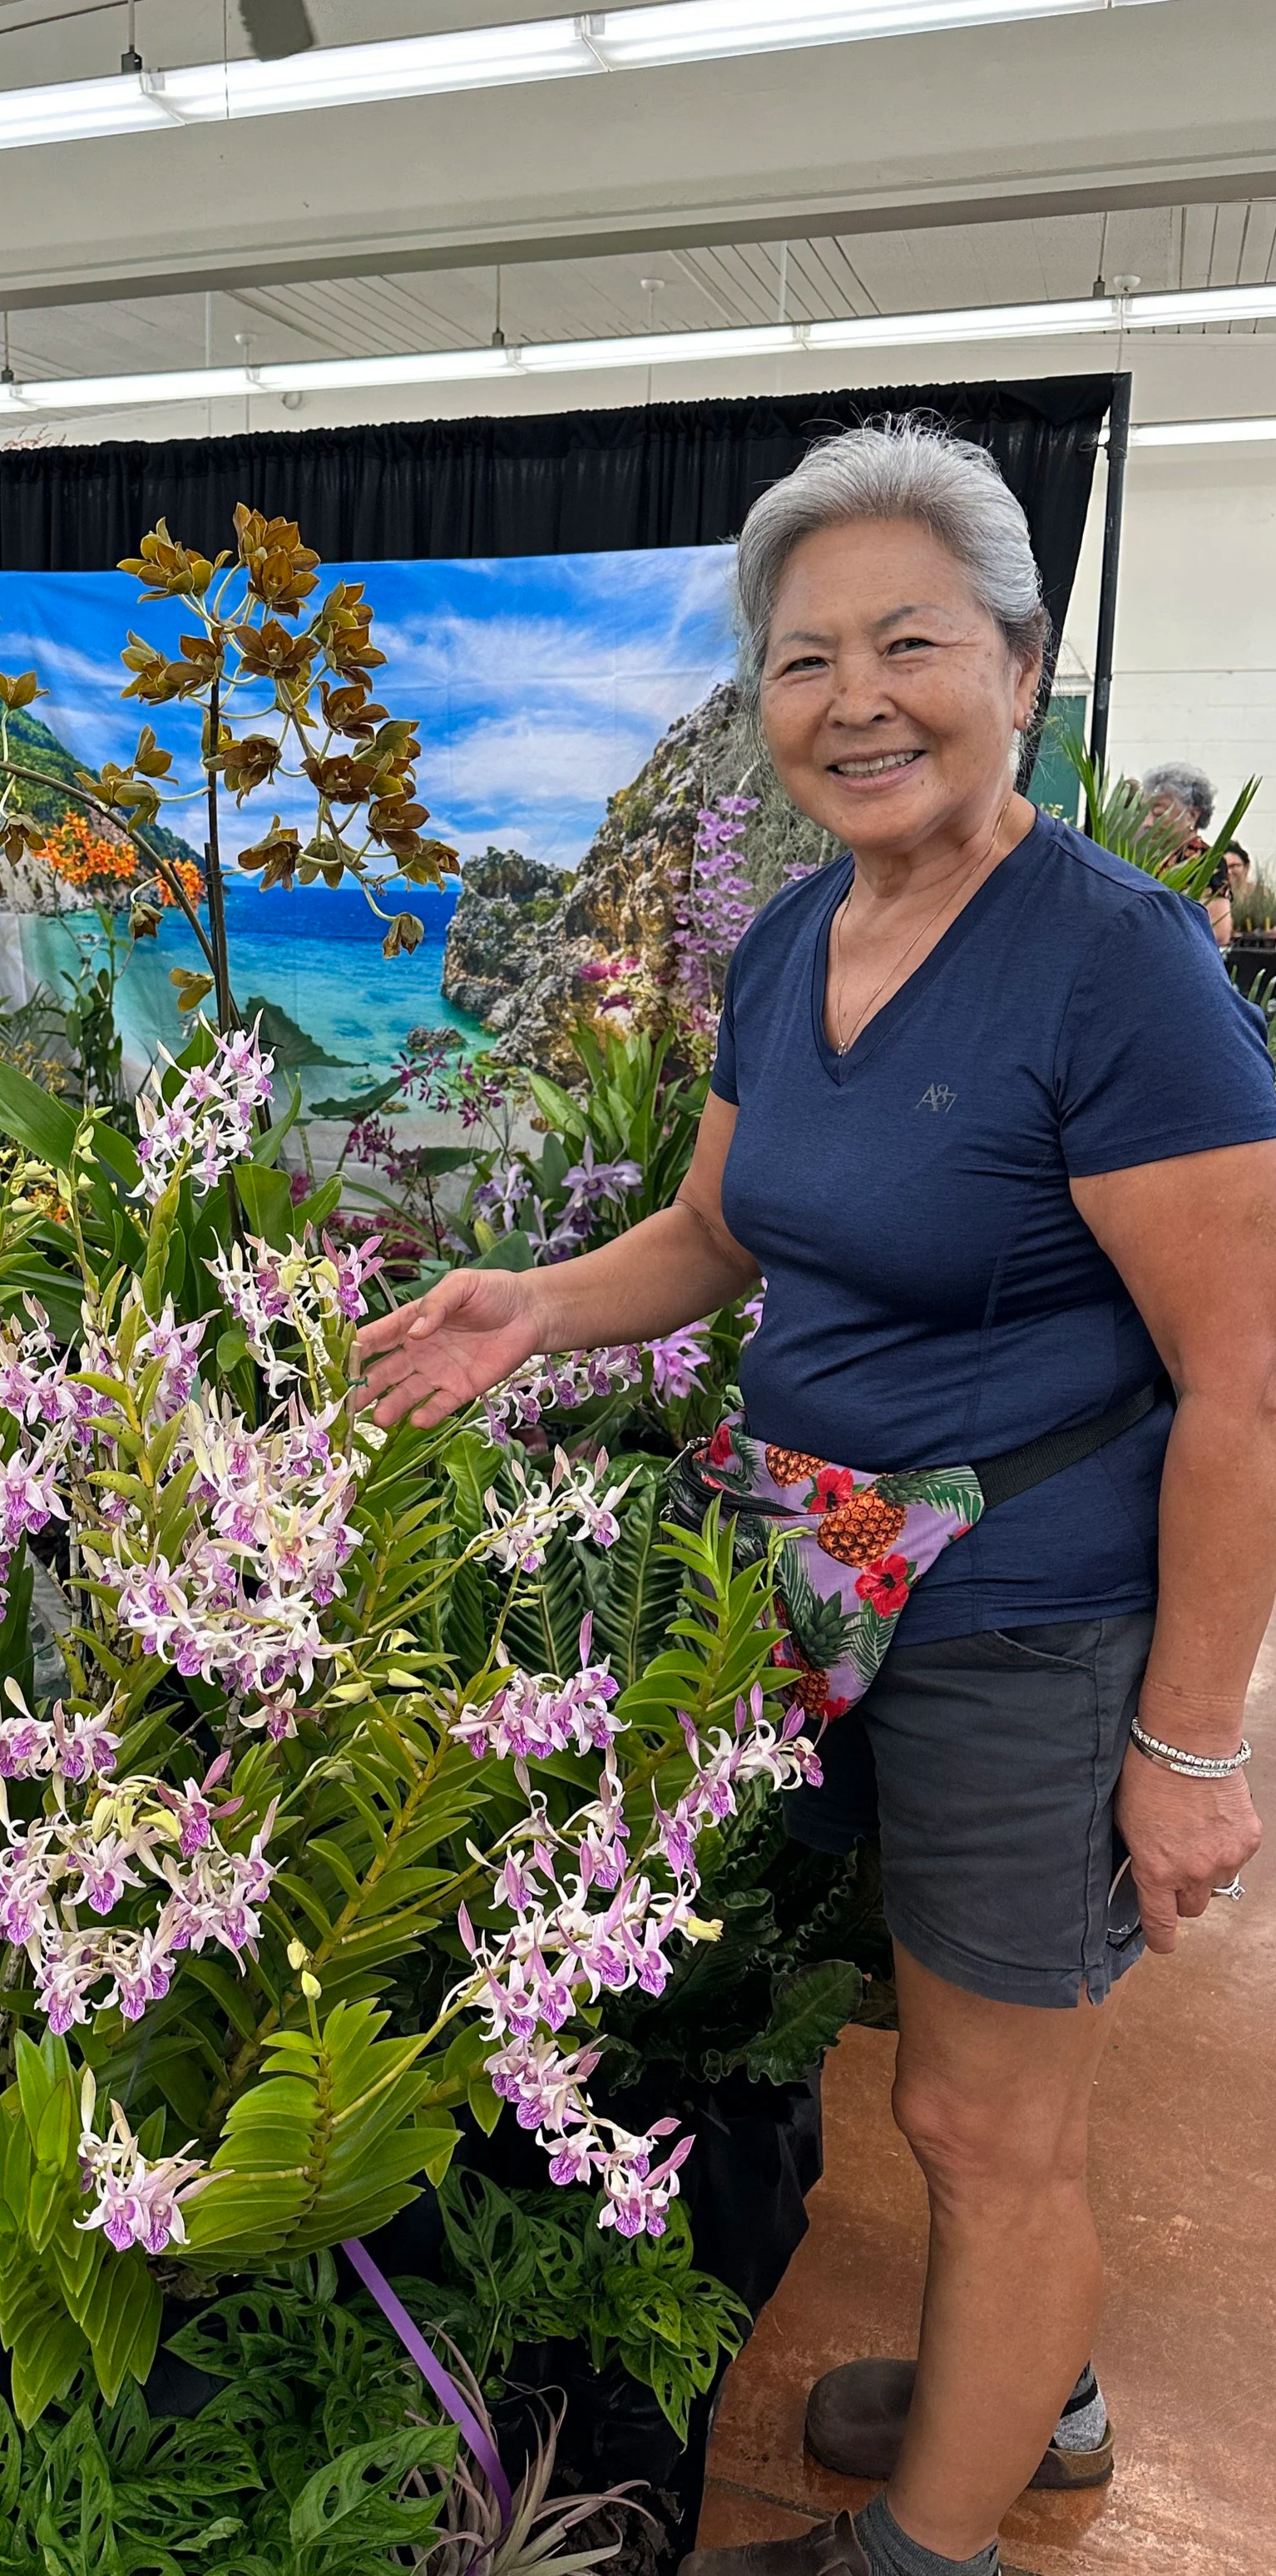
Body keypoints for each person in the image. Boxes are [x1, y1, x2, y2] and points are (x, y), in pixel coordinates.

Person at [355, 420, 1274, 2576]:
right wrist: (531, 1307)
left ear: (1021, 667)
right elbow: (714, 1231)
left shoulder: (1115, 963)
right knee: (938, 2057)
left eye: (908, 642)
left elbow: (1247, 1379)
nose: (853, 698)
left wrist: (1190, 1746)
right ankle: (1031, 2393)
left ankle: (918, 2554)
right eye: (801, 658)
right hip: (828, 1562)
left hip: (1033, 1607)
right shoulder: (788, 942)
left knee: (979, 2117)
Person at [1140, 760, 1229, 944]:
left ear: (1192, 816)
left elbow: (1219, 932)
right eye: (1144, 814)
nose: (1147, 823)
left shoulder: (1206, 861)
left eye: (1158, 814)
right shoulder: (1149, 858)